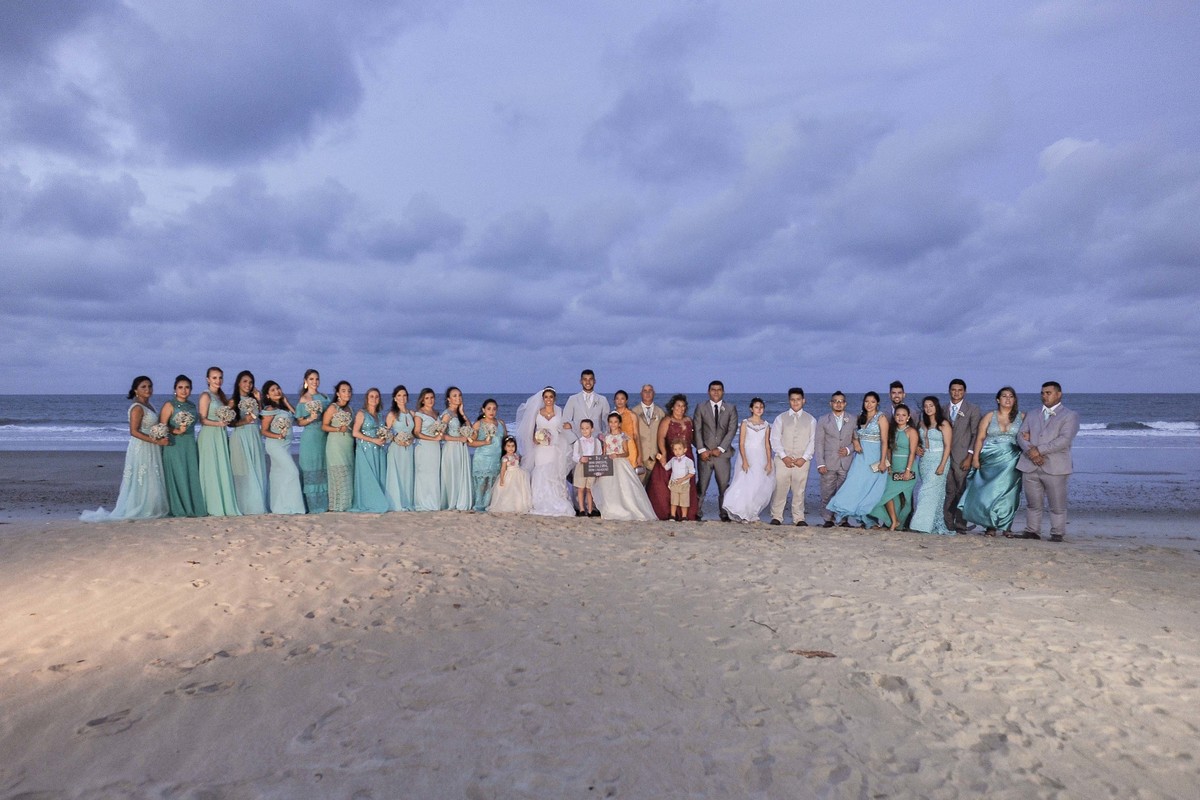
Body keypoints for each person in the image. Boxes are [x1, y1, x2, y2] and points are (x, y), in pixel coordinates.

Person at [81, 376, 169, 521]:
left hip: (152, 446)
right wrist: (155, 441)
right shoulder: (137, 408)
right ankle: (140, 507)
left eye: (150, 386)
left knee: (152, 476)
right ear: (136, 390)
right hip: (142, 446)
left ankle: (151, 505)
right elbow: (133, 431)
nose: (148, 389)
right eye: (144, 387)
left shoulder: (150, 405)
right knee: (141, 477)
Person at [1016, 381, 1079, 542]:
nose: (1045, 396)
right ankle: (1032, 531)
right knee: (1032, 502)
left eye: (1048, 393)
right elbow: (1020, 435)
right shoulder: (1032, 414)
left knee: (1057, 503)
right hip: (1030, 464)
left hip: (1055, 465)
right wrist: (1031, 451)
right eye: (1043, 393)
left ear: (1059, 394)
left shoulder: (1069, 415)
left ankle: (1057, 533)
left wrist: (1039, 450)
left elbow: (1064, 440)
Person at [960, 387, 1025, 536]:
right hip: (990, 459)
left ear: (1014, 399)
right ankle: (990, 526)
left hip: (1012, 460)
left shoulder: (1022, 417)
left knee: (1010, 494)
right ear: (998, 399)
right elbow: (980, 438)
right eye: (1004, 396)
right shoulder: (989, 416)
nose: (1007, 399)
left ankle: (1006, 526)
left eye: (1011, 396)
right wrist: (975, 457)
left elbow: (1028, 435)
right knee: (989, 492)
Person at [827, 392, 890, 526]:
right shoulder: (860, 417)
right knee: (854, 485)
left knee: (871, 489)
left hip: (875, 457)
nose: (869, 404)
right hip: (861, 458)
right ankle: (844, 510)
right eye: (867, 401)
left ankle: (868, 520)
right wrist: (855, 442)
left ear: (877, 403)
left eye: (872, 402)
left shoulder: (881, 418)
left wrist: (883, 461)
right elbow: (854, 434)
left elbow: (885, 441)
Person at [514, 386, 575, 516]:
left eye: (551, 397)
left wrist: (568, 426)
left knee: (553, 472)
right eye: (546, 397)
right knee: (540, 471)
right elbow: (530, 429)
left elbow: (563, 427)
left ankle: (555, 498)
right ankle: (539, 500)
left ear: (554, 398)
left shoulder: (559, 411)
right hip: (540, 449)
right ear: (543, 398)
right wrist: (535, 439)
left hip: (554, 447)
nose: (548, 399)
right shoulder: (537, 412)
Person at [592, 412, 656, 521]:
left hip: (620, 463)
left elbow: (626, 453)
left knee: (624, 486)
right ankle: (610, 508)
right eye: (611, 422)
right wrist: (601, 464)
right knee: (608, 487)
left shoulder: (623, 436)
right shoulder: (606, 436)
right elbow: (604, 452)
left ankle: (627, 508)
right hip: (608, 463)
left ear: (619, 423)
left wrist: (617, 455)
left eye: (615, 422)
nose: (613, 424)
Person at [196, 366, 240, 517]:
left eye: (220, 377)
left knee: (221, 467)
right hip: (209, 435)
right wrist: (218, 424)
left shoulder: (221, 398)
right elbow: (202, 420)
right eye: (214, 377)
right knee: (211, 468)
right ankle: (211, 504)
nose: (218, 380)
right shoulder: (205, 396)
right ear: (208, 379)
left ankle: (223, 502)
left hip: (221, 434)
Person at [159, 374, 206, 518]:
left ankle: (193, 506)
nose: (184, 390)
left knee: (191, 474)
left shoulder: (192, 406)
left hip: (190, 444)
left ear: (191, 390)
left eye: (187, 388)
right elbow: (162, 426)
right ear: (175, 389)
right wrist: (176, 430)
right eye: (180, 387)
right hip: (174, 444)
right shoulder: (169, 405)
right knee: (178, 474)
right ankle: (180, 508)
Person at [722, 398, 775, 523]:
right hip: (748, 456)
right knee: (745, 484)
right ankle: (743, 512)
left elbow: (767, 445)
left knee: (759, 484)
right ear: (751, 409)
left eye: (761, 407)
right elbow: (741, 443)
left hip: (761, 456)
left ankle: (753, 512)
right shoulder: (745, 423)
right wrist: (744, 461)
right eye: (756, 407)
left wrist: (769, 462)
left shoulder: (766, 425)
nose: (759, 409)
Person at [647, 394, 699, 520]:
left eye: (683, 406)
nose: (680, 408)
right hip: (671, 455)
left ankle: (685, 514)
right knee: (667, 485)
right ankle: (671, 513)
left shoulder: (689, 420)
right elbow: (661, 438)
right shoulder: (667, 420)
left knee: (687, 485)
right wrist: (664, 453)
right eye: (678, 406)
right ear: (672, 407)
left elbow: (693, 439)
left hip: (687, 456)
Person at [768, 388, 815, 526]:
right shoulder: (780, 418)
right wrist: (784, 456)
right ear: (789, 401)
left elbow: (813, 441)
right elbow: (775, 439)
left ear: (803, 400)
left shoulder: (811, 419)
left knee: (799, 490)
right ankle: (776, 516)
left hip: (802, 460)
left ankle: (799, 518)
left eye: (798, 399)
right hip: (783, 460)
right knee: (780, 488)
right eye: (793, 399)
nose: (796, 402)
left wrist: (804, 458)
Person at [909, 397, 954, 534]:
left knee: (925, 492)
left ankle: (920, 525)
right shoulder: (921, 423)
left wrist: (942, 465)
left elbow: (948, 446)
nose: (928, 408)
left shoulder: (944, 424)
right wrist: (917, 448)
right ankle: (932, 523)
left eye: (931, 405)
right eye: (926, 406)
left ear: (936, 407)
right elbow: (917, 441)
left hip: (939, 459)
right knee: (935, 494)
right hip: (924, 461)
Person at [869, 404, 918, 530]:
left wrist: (907, 470)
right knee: (887, 496)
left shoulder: (911, 431)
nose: (900, 417)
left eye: (903, 415)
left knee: (906, 499)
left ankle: (898, 522)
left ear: (908, 417)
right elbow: (889, 450)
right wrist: (888, 465)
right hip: (894, 468)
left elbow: (912, 452)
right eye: (897, 415)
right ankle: (893, 521)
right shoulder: (891, 430)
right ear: (894, 416)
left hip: (908, 468)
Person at [694, 380, 738, 521]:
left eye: (719, 389)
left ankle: (724, 513)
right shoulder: (701, 407)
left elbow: (732, 430)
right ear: (708, 391)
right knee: (702, 485)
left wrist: (720, 448)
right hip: (705, 455)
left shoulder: (731, 408)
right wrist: (701, 450)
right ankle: (697, 512)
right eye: (713, 389)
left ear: (723, 391)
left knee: (724, 486)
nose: (716, 392)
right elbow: (697, 429)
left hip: (722, 455)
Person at [259, 380, 305, 515]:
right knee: (292, 472)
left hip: (286, 446)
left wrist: (286, 402)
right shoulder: (269, 410)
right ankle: (294, 507)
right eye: (272, 390)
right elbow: (264, 430)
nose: (277, 391)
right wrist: (278, 436)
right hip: (275, 446)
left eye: (278, 388)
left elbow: (298, 417)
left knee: (279, 475)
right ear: (267, 395)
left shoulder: (283, 408)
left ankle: (279, 506)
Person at [943, 378, 982, 533]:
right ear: (949, 391)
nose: (956, 393)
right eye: (953, 389)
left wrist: (970, 456)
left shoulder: (972, 409)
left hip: (963, 457)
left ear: (964, 392)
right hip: (946, 458)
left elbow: (976, 434)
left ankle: (960, 524)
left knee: (962, 491)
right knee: (948, 491)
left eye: (959, 390)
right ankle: (947, 523)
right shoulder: (943, 408)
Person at [229, 370, 268, 515]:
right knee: (243, 471)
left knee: (257, 468)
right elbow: (230, 423)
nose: (248, 385)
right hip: (240, 436)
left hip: (254, 436)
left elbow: (263, 418)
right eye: (245, 381)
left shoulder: (254, 399)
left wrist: (259, 400)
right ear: (238, 382)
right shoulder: (233, 400)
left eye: (251, 382)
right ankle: (245, 505)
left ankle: (258, 502)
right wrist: (243, 421)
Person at [815, 391, 855, 528]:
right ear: (830, 403)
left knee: (845, 492)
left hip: (846, 462)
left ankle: (843, 519)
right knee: (827, 491)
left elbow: (857, 440)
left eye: (841, 401)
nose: (838, 404)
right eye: (835, 401)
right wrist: (820, 463)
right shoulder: (823, 419)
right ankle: (828, 519)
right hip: (828, 461)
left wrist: (849, 449)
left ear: (845, 403)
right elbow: (819, 442)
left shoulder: (852, 419)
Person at [295, 369, 329, 514]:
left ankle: (325, 504)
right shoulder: (303, 399)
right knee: (311, 468)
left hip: (324, 436)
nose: (314, 382)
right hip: (310, 437)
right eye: (311, 379)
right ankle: (312, 506)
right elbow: (299, 422)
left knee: (323, 466)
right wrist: (310, 418)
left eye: (316, 379)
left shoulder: (324, 397)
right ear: (306, 381)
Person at [350, 387, 390, 513]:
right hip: (365, 449)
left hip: (378, 449)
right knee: (368, 476)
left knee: (378, 476)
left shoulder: (379, 415)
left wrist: (383, 438)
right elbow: (355, 433)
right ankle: (370, 501)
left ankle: (379, 498)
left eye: (377, 396)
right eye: (371, 396)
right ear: (367, 398)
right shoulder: (362, 413)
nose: (374, 399)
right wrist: (373, 440)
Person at [322, 381, 355, 512]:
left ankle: (347, 504)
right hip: (335, 444)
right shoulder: (332, 408)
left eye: (349, 391)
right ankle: (337, 505)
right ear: (338, 393)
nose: (347, 393)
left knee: (348, 473)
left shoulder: (350, 409)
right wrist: (337, 429)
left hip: (348, 444)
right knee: (338, 473)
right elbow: (324, 426)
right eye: (344, 390)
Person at [439, 386, 474, 511]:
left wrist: (463, 413)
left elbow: (470, 429)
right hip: (452, 448)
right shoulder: (447, 415)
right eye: (454, 395)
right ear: (448, 399)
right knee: (452, 474)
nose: (458, 398)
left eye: (459, 395)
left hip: (462, 449)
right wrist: (459, 439)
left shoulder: (459, 414)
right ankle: (452, 501)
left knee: (461, 473)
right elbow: (441, 435)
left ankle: (462, 500)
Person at [411, 388, 444, 512]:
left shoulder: (436, 413)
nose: (430, 400)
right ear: (422, 400)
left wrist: (439, 435)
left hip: (435, 448)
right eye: (427, 398)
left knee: (434, 474)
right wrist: (433, 438)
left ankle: (433, 502)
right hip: (424, 447)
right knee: (423, 474)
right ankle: (423, 503)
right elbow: (416, 432)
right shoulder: (419, 414)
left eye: (432, 397)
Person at [470, 399, 506, 511]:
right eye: (489, 409)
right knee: (481, 484)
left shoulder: (501, 423)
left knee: (492, 484)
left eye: (494, 409)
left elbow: (505, 441)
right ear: (483, 410)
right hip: (482, 458)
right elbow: (470, 442)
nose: (492, 411)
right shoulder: (478, 424)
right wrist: (484, 442)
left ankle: (489, 505)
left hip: (496, 458)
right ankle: (479, 505)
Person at [384, 385, 416, 512]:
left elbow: (414, 432)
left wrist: (410, 439)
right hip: (396, 449)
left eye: (404, 395)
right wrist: (396, 439)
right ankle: (396, 502)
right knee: (396, 474)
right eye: (399, 395)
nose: (402, 398)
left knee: (407, 474)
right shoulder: (392, 415)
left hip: (409, 448)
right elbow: (386, 434)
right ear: (395, 398)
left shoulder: (412, 413)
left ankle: (407, 501)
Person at [562, 369, 611, 446]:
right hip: (577, 442)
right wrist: (574, 441)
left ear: (594, 381)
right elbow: (564, 423)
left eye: (590, 379)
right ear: (581, 381)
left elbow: (607, 423)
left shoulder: (602, 400)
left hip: (597, 443)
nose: (588, 382)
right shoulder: (573, 399)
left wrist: (603, 440)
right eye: (585, 379)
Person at [488, 436, 532, 514]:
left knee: (519, 490)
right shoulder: (505, 458)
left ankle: (518, 506)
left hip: (518, 475)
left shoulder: (516, 455)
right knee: (509, 491)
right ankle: (509, 506)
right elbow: (503, 469)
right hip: (509, 475)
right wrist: (501, 479)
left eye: (513, 446)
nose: (511, 448)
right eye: (508, 446)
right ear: (504, 447)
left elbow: (519, 463)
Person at [657, 441, 697, 522]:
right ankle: (672, 515)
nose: (677, 451)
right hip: (674, 483)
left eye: (679, 449)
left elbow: (692, 472)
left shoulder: (688, 461)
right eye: (675, 449)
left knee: (684, 501)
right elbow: (666, 467)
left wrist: (683, 479)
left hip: (684, 484)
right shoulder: (673, 460)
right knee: (674, 500)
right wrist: (661, 460)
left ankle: (684, 516)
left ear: (685, 450)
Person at [634, 384, 666, 485]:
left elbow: (664, 434)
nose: (647, 393)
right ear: (641, 393)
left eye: (650, 391)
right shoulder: (634, 412)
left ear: (654, 393)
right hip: (639, 457)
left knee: (654, 489)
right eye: (645, 391)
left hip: (655, 457)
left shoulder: (660, 412)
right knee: (638, 488)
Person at [571, 418, 601, 516]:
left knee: (590, 489)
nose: (584, 431)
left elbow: (599, 454)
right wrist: (580, 459)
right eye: (582, 428)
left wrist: (595, 460)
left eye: (587, 428)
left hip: (592, 467)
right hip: (581, 467)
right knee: (580, 488)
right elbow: (574, 456)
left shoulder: (597, 442)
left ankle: (590, 509)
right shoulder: (578, 442)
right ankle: (581, 509)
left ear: (592, 429)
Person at [610, 390, 642, 474]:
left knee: (630, 474)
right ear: (614, 400)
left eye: (622, 399)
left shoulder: (632, 415)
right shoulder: (610, 416)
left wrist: (639, 455)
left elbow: (636, 435)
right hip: (615, 448)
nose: (619, 401)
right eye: (617, 399)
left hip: (630, 448)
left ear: (626, 400)